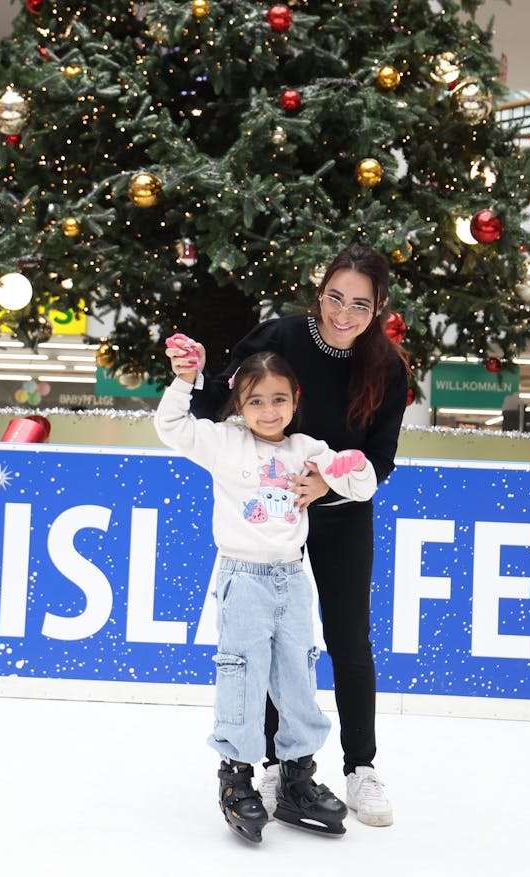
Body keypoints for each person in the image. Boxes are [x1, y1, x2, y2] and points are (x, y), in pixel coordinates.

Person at [187, 244, 409, 827]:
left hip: (336, 509)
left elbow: (380, 463)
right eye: (336, 297)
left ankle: (360, 769)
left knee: (348, 639)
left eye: (360, 304)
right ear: (321, 292)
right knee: (264, 639)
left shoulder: (387, 368)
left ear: (379, 306)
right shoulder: (280, 336)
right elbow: (218, 398)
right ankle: (272, 764)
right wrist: (190, 377)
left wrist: (326, 488)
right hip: (269, 509)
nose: (344, 313)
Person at [157, 343, 376, 843]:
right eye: (256, 401)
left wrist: (348, 468)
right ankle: (236, 776)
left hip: (293, 580)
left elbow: (362, 486)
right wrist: (184, 379)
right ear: (238, 403)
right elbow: (172, 428)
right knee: (243, 674)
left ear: (295, 400)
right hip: (243, 578)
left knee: (298, 672)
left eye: (279, 399)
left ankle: (297, 774)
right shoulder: (223, 443)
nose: (268, 411)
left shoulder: (306, 450)